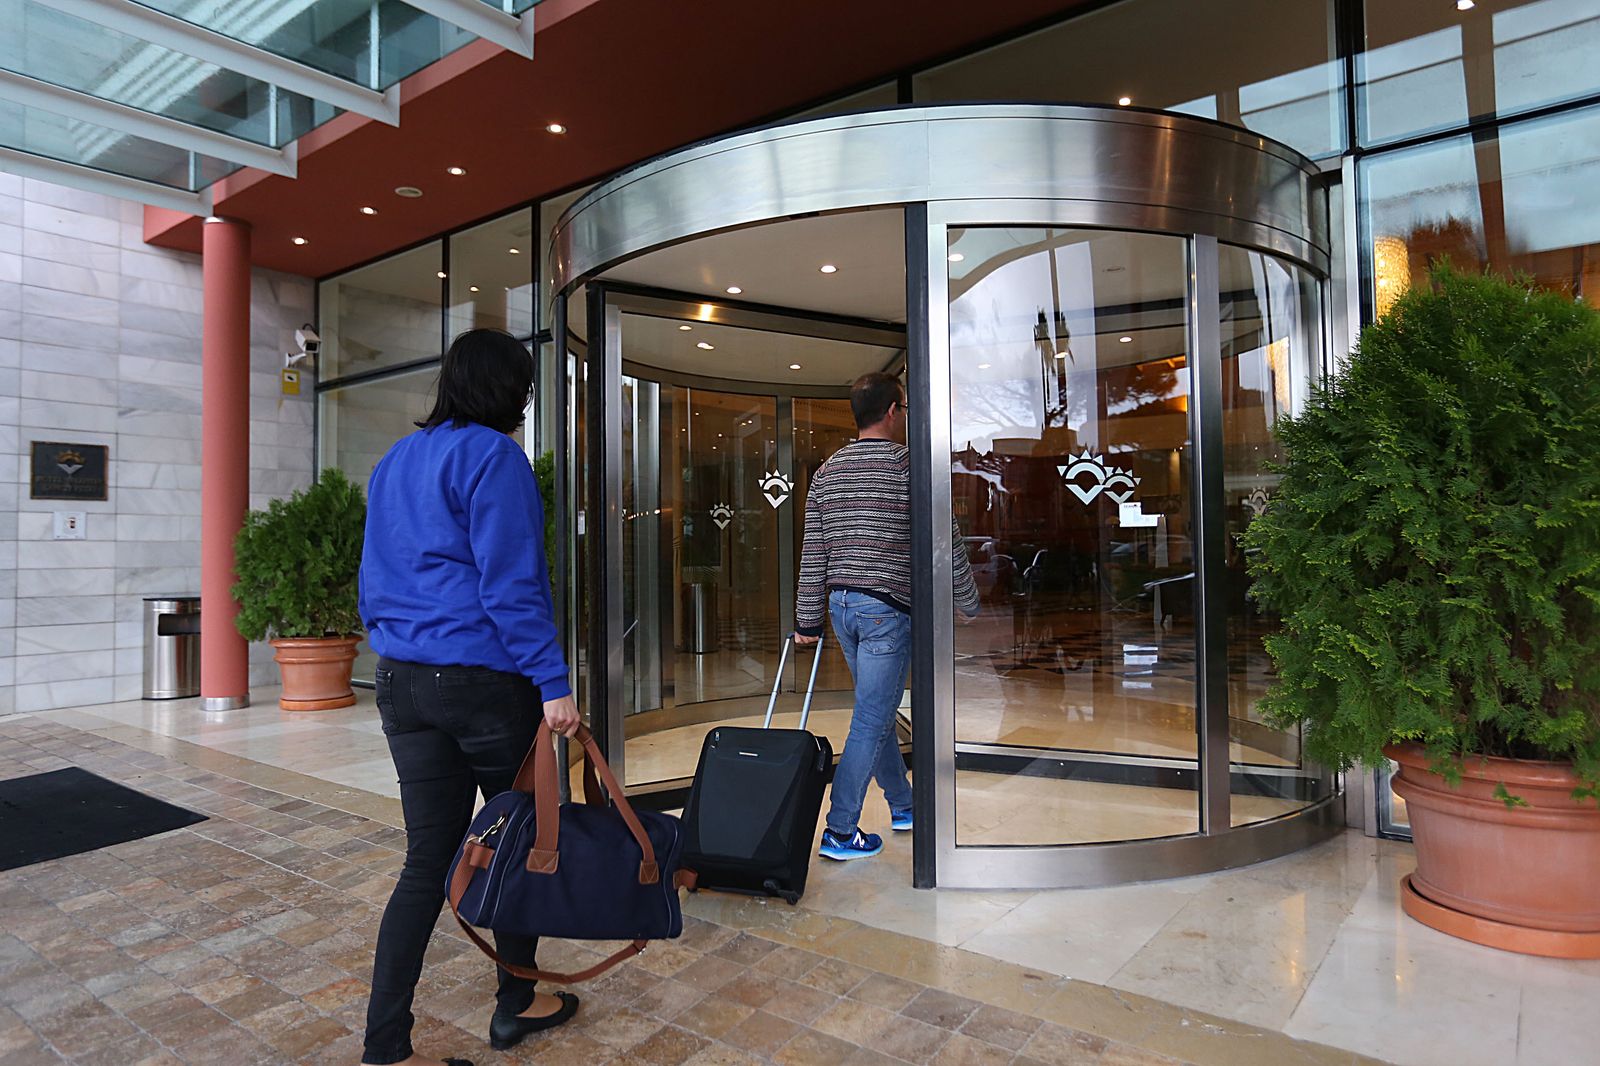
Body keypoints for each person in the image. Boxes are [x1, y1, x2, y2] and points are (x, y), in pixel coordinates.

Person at [358, 328, 582, 1066]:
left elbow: (373, 580)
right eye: (522, 386)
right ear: (508, 390)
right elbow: (512, 583)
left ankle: (387, 1046)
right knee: (515, 842)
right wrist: (552, 685)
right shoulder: (495, 457)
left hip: (401, 680)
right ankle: (515, 1005)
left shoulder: (396, 460)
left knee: (427, 861)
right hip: (483, 683)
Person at [795, 372, 980, 861]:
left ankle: (903, 805)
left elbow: (814, 550)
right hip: (886, 612)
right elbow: (947, 540)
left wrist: (807, 620)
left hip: (842, 609)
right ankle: (839, 830)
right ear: (895, 411)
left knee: (874, 716)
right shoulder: (909, 467)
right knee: (873, 720)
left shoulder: (827, 472)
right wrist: (968, 600)